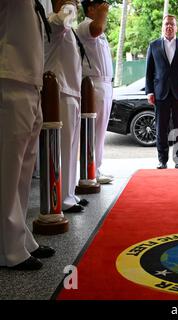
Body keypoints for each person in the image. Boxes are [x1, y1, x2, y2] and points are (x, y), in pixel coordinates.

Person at [0, 0, 55, 271]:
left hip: (31, 80)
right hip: (8, 76)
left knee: (22, 171)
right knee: (7, 171)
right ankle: (7, 249)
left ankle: (20, 237)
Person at [43, 0, 89, 213]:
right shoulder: (55, 21)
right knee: (62, 149)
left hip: (72, 92)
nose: (77, 3)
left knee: (71, 148)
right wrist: (68, 6)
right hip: (60, 92)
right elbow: (61, 21)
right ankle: (62, 197)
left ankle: (68, 194)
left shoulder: (68, 29)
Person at [145, 14, 178, 169]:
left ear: (176, 27)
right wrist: (149, 92)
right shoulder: (153, 46)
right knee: (161, 128)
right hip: (160, 94)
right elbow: (149, 72)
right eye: (166, 24)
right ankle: (162, 160)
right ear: (163, 26)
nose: (169, 26)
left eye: (172, 24)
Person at [77, 0, 114, 183]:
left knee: (100, 132)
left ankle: (96, 169)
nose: (103, 7)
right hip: (93, 84)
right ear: (90, 8)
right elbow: (96, 28)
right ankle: (88, 170)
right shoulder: (84, 26)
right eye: (98, 5)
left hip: (105, 84)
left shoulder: (97, 27)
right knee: (91, 131)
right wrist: (103, 12)